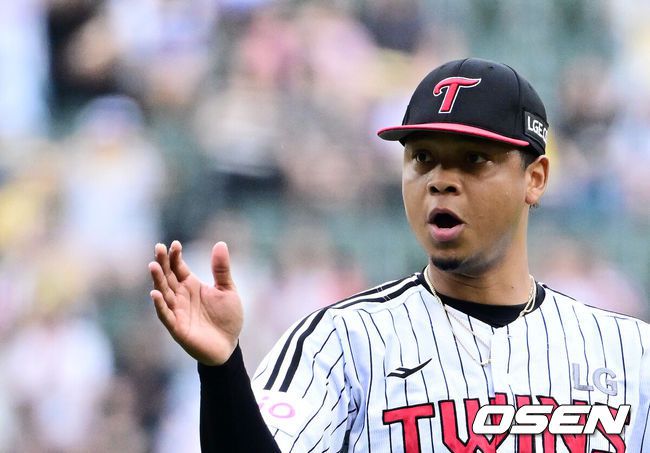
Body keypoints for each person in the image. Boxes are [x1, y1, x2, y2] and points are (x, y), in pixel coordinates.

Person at [148, 58, 649, 452]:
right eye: (422, 158)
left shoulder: (631, 354)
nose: (441, 180)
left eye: (474, 159)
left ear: (534, 179)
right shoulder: (341, 342)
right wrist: (222, 370)